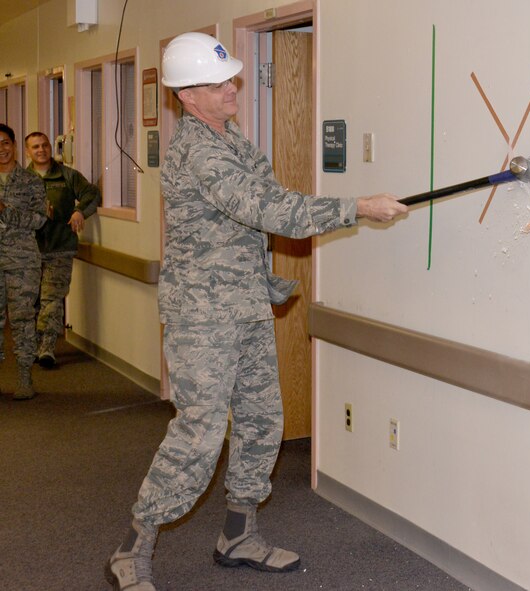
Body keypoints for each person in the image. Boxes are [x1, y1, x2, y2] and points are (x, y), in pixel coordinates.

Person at [107, 32, 408, 591]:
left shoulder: (234, 140)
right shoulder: (198, 151)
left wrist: (263, 278)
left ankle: (238, 535)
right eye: (219, 82)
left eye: (231, 78)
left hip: (244, 308)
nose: (233, 88)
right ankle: (134, 546)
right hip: (203, 317)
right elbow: (270, 208)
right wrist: (357, 207)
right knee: (198, 434)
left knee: (261, 423)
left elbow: (248, 220)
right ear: (188, 96)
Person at [25, 132, 101, 368]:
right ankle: (32, 345)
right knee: (30, 302)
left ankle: (47, 349)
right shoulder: (21, 179)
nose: (41, 150)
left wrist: (80, 212)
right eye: (35, 147)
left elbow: (92, 194)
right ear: (28, 151)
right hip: (29, 251)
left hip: (60, 248)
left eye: (45, 145)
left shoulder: (67, 175)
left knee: (52, 299)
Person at [0, 124, 47, 400]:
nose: (1, 149)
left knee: (22, 319)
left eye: (5, 143)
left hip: (22, 260)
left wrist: (7, 212)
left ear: (14, 145)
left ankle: (24, 377)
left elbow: (39, 220)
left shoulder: (30, 182)